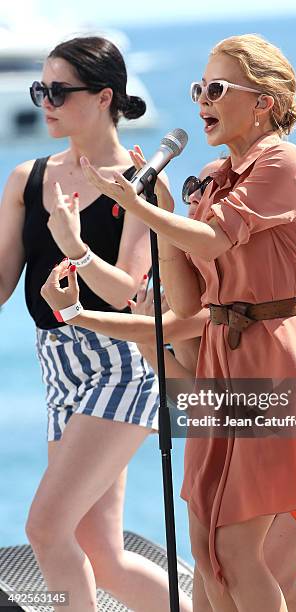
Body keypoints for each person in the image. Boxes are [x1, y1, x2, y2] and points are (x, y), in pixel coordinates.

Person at [63, 33, 296, 611]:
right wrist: (157, 207)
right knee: (205, 546)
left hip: (275, 355)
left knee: (234, 546)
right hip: (220, 357)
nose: (203, 99)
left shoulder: (283, 161)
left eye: (217, 88)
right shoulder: (211, 174)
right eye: (198, 88)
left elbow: (215, 237)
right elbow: (187, 297)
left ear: (264, 102)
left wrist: (137, 207)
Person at [0, 35, 192, 612]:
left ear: (105, 96)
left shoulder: (142, 184)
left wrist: (75, 248)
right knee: (102, 553)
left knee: (45, 530)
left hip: (122, 365)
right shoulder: (27, 179)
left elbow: (129, 293)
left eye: (59, 91)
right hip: (58, 366)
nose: (46, 102)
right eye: (41, 90)